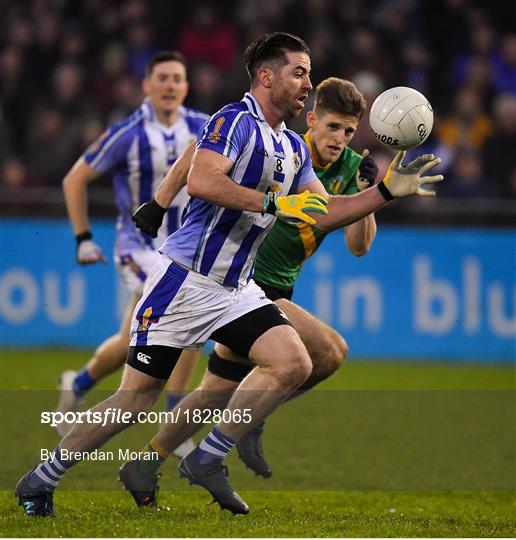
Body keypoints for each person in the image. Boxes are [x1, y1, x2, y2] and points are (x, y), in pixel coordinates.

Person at [16, 32, 443, 518]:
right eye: (298, 72)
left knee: (295, 363)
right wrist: (271, 202)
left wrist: (385, 191)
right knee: (135, 400)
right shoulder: (232, 121)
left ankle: (210, 456)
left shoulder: (291, 147)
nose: (307, 83)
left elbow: (324, 213)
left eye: (308, 73)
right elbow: (202, 180)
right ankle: (41, 478)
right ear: (266, 77)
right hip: (185, 281)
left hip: (236, 290)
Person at [120, 77, 378, 504]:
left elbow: (359, 246)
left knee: (214, 395)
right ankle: (249, 423)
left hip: (274, 291)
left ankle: (145, 464)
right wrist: (161, 200)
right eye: (332, 127)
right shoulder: (286, 145)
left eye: (349, 132)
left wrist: (365, 189)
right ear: (312, 119)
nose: (339, 139)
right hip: (246, 283)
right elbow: (199, 155)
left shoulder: (351, 168)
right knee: (328, 352)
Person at [56, 51, 209, 459]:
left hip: (187, 249)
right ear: (147, 85)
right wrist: (82, 237)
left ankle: (78, 386)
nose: (170, 85)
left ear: (186, 87)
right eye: (162, 78)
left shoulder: (204, 127)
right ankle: (175, 423)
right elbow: (75, 179)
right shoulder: (128, 133)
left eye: (178, 78)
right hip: (139, 248)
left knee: (132, 339)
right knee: (185, 311)